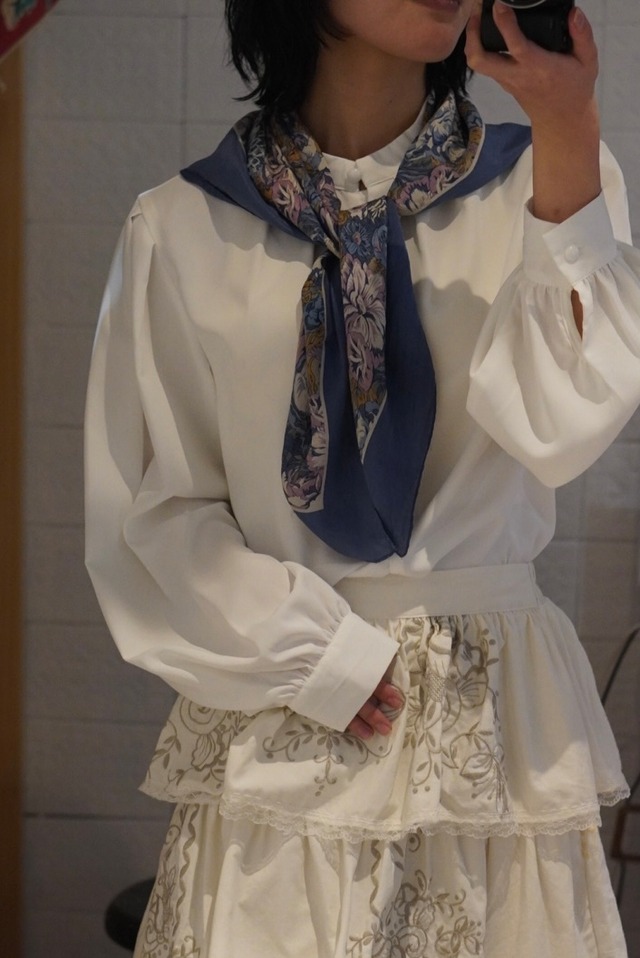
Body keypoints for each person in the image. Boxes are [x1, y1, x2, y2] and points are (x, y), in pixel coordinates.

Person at [85, 0, 640, 955]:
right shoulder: (182, 224)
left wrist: (568, 122)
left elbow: (564, 423)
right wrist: (312, 654)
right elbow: (155, 509)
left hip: (491, 731)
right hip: (289, 715)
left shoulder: (544, 179)